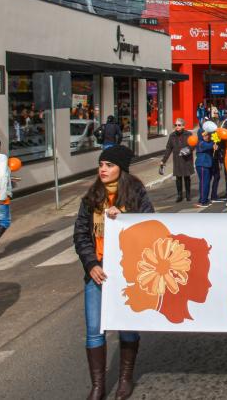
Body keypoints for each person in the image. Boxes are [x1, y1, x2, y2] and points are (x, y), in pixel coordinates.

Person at [73, 145, 154, 400]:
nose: (103, 169)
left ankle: (125, 379)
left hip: (127, 272)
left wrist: (126, 215)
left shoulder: (135, 193)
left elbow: (151, 225)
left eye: (109, 165)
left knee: (127, 326)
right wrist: (91, 264)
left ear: (122, 168)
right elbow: (80, 235)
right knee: (94, 329)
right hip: (98, 272)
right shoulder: (92, 197)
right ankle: (97, 386)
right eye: (101, 165)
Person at [160, 118, 193, 202]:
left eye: (179, 125)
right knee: (178, 178)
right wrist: (163, 160)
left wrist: (188, 150)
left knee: (186, 177)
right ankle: (179, 195)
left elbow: (193, 145)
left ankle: (188, 195)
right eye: (176, 125)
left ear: (183, 126)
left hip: (186, 159)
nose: (177, 127)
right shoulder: (172, 136)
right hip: (177, 159)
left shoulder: (188, 134)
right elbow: (168, 149)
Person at [194, 130, 215, 208]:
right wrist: (215, 139)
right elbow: (209, 146)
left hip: (207, 165)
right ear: (200, 136)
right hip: (202, 165)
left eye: (208, 135)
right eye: (204, 135)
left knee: (205, 183)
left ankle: (204, 199)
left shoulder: (206, 142)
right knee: (204, 183)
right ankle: (203, 201)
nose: (207, 137)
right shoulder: (201, 143)